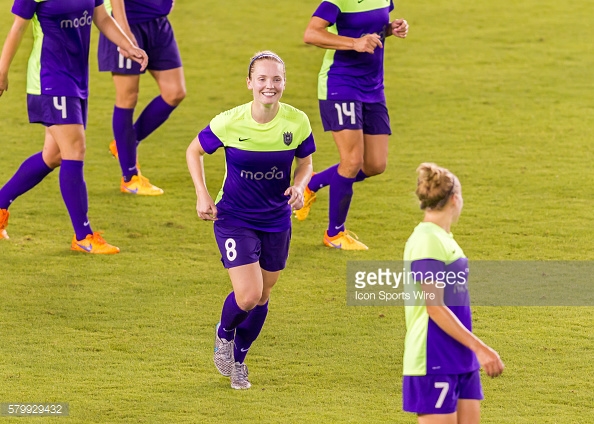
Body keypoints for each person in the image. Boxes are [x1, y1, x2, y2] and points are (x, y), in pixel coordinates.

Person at [186, 51, 315, 389]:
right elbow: (193, 151)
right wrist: (201, 193)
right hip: (234, 217)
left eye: (276, 79)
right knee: (248, 294)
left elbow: (306, 163)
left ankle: (240, 360)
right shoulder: (230, 121)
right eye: (262, 79)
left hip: (276, 219)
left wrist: (300, 186)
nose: (269, 86)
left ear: (284, 83)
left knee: (263, 295)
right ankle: (224, 333)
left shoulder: (297, 121)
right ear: (250, 83)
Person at [0, 0, 147, 252]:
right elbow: (17, 29)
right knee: (74, 150)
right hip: (50, 79)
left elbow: (102, 18)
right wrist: (2, 71)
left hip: (77, 79)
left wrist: (127, 45)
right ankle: (83, 236)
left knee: (54, 155)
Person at [300, 0, 408, 250]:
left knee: (375, 164)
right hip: (341, 84)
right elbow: (311, 33)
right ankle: (334, 234)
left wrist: (392, 28)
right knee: (352, 160)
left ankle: (312, 184)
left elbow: (373, 29)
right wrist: (354, 43)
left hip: (373, 88)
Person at [402, 163, 504, 423]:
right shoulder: (427, 240)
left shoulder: (444, 238)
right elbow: (433, 307)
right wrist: (480, 348)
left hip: (460, 356)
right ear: (455, 199)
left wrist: (472, 351)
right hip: (433, 357)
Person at [98, 0, 185, 196]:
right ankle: (130, 178)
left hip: (157, 21)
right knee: (127, 97)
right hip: (128, 23)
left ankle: (124, 143)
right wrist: (124, 33)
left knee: (175, 92)